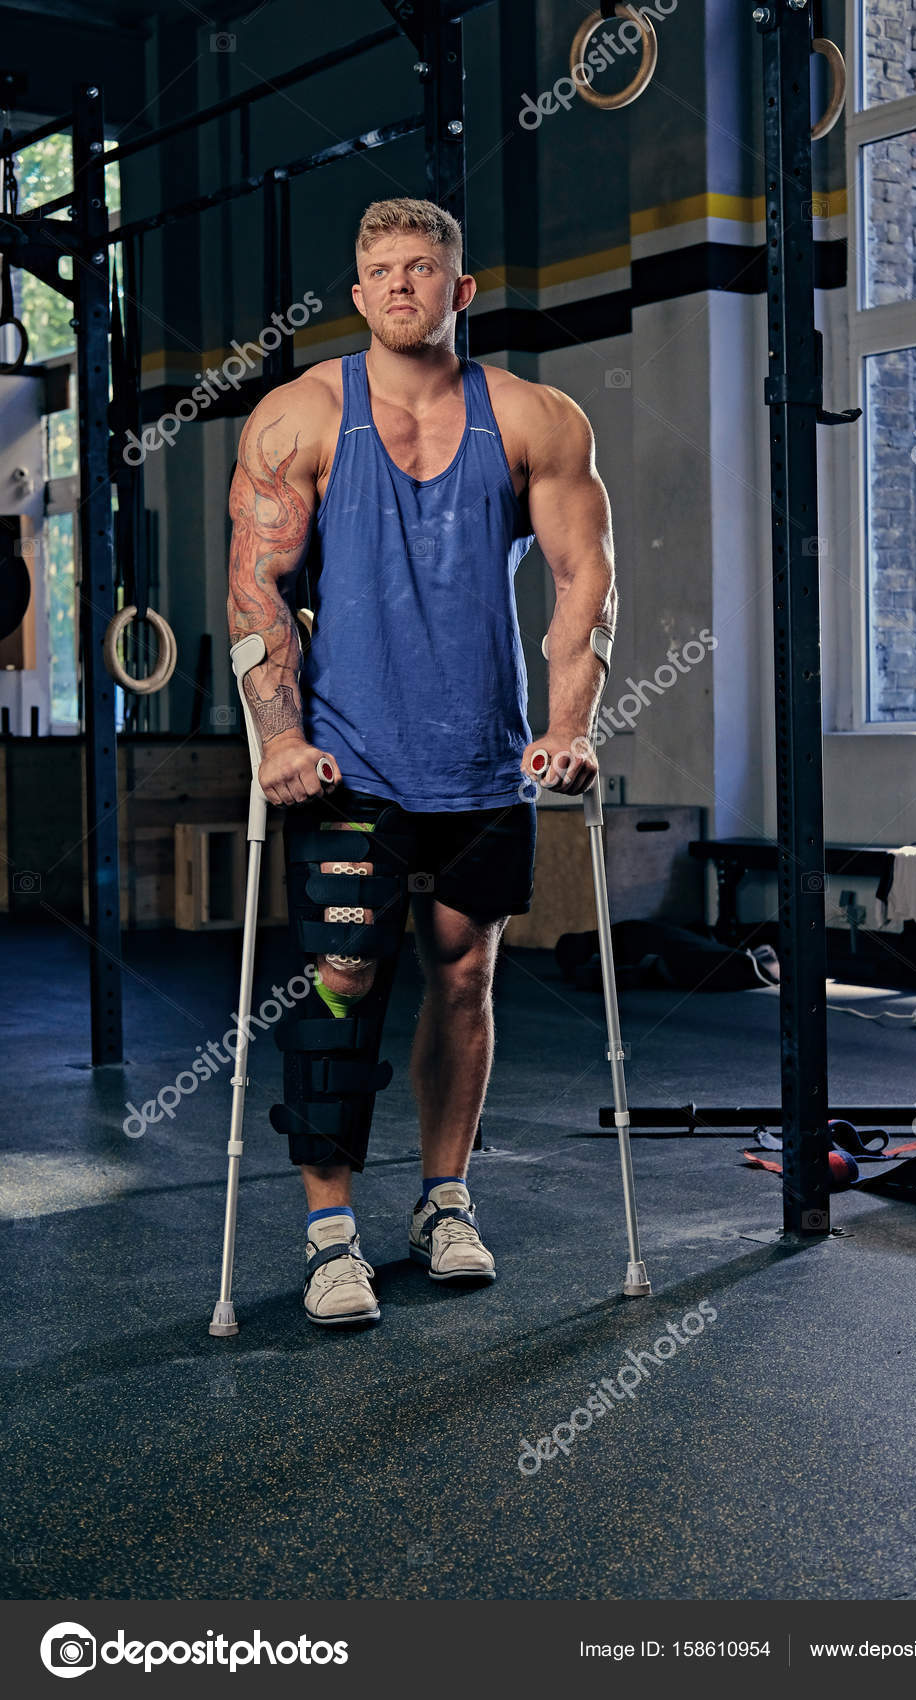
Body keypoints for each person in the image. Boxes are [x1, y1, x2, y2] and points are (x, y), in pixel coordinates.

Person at [226, 196, 615, 1327]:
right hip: (345, 761)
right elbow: (258, 594)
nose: (402, 285)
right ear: (356, 295)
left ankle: (444, 1198)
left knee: (464, 975)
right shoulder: (296, 419)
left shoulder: (537, 418)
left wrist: (571, 720)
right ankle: (330, 1228)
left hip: (484, 761)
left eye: (422, 268)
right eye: (382, 270)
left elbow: (584, 587)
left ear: (461, 289)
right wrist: (280, 737)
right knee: (341, 982)